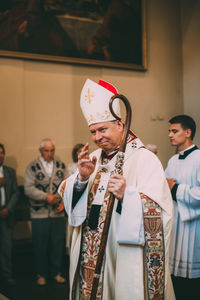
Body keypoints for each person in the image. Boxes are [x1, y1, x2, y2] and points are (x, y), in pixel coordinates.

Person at [58, 78, 175, 299]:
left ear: (120, 125)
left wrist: (126, 196)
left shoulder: (144, 159)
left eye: (102, 129)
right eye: (93, 132)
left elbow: (162, 212)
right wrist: (81, 180)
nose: (97, 137)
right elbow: (66, 195)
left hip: (119, 253)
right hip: (89, 250)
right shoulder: (91, 159)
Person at [165, 114, 200, 300]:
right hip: (176, 226)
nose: (170, 135)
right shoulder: (172, 161)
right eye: (169, 131)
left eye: (174, 131)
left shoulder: (199, 158)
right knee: (175, 281)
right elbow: (165, 189)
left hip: (193, 227)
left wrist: (176, 188)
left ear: (188, 132)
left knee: (192, 287)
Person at [24, 138, 67, 286]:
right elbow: (28, 188)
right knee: (40, 245)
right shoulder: (33, 167)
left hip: (57, 214)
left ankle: (56, 273)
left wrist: (63, 203)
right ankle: (41, 274)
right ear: (40, 151)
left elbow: (66, 186)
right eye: (46, 150)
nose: (50, 153)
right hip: (39, 214)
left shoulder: (61, 166)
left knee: (57, 244)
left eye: (52, 150)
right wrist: (45, 196)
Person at [0, 143, 19, 286]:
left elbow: (16, 192)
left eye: (2, 153)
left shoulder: (10, 172)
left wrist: (8, 209)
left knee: (6, 248)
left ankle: (7, 276)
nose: (0, 155)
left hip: (6, 215)